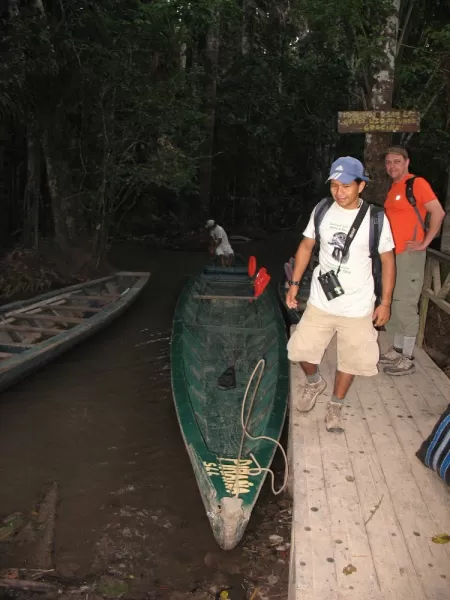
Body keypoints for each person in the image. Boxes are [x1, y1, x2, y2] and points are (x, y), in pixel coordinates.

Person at [286, 157, 395, 433]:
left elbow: (388, 261)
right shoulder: (322, 209)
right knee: (299, 349)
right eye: (334, 185)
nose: (339, 192)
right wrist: (295, 283)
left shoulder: (376, 218)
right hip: (321, 300)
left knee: (352, 359)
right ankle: (314, 383)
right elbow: (307, 244)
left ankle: (335, 404)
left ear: (361, 186)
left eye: (346, 185)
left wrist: (385, 302)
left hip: (358, 305)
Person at [380, 146, 445, 376]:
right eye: (388, 162)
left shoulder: (416, 183)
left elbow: (438, 212)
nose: (392, 166)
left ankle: (406, 358)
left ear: (407, 162)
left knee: (405, 303)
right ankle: (397, 350)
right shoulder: (395, 187)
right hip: (392, 254)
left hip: (409, 255)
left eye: (397, 161)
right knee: (395, 301)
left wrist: (425, 242)